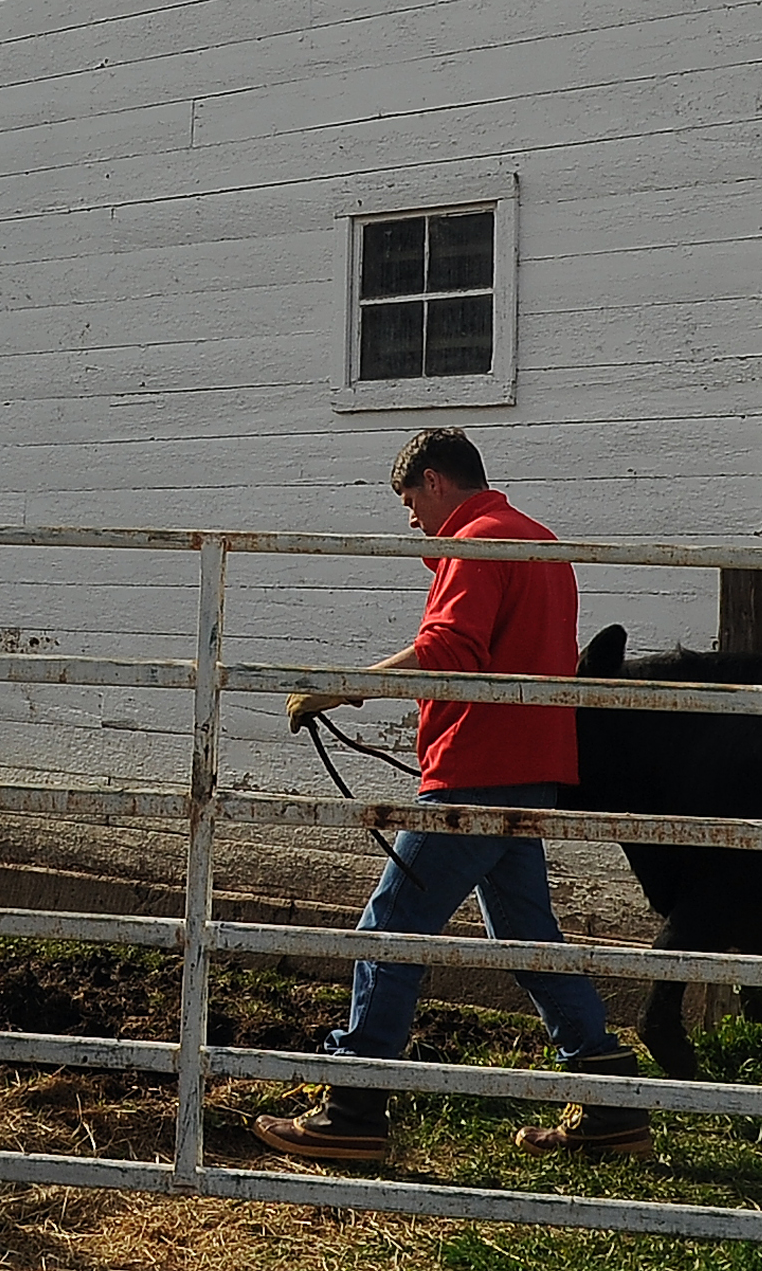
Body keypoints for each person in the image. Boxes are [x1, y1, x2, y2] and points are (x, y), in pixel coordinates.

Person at [252, 429, 655, 1167]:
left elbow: (450, 650)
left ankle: (353, 1107)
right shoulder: (540, 542)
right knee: (527, 936)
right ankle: (609, 1098)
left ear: (435, 481)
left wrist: (346, 688)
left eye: (410, 501)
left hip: (474, 768)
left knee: (390, 928)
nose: (411, 519)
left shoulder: (478, 542)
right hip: (531, 768)